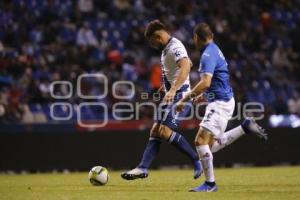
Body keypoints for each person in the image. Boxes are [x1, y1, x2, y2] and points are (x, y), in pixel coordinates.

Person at [176, 23, 268, 192]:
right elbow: (217, 79)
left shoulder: (207, 54)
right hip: (223, 100)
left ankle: (210, 184)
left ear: (197, 37)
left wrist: (186, 99)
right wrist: (204, 94)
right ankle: (244, 127)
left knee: (200, 141)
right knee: (208, 147)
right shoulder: (215, 49)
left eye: (194, 37)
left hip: (220, 103)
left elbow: (206, 82)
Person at [121, 20, 202, 180]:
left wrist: (172, 89)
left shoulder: (175, 46)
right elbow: (184, 66)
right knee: (155, 130)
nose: (152, 45)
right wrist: (166, 87)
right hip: (170, 95)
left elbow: (185, 67)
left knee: (165, 131)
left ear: (157, 36)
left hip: (180, 96)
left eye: (151, 41)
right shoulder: (167, 49)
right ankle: (142, 168)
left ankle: (196, 159)